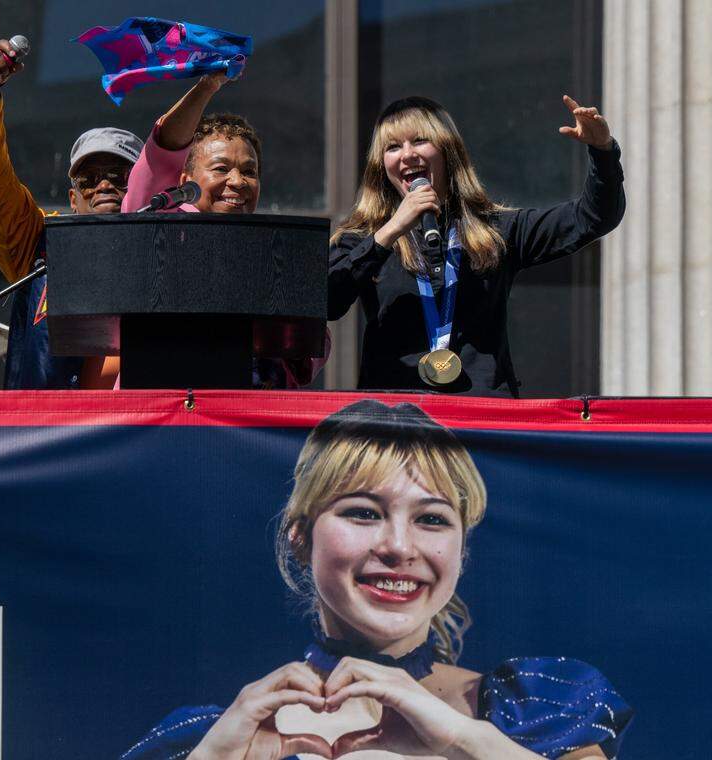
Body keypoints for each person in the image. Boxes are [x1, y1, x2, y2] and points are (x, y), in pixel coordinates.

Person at [121, 400, 632, 760]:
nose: (398, 547)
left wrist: (460, 739)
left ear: (461, 549)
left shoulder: (538, 707)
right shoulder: (214, 736)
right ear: (300, 536)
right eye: (364, 513)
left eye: (431, 519)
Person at [328, 96, 625, 397]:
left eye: (420, 141)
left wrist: (602, 151)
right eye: (393, 147)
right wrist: (389, 232)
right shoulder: (363, 238)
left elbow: (593, 218)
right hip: (395, 425)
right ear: (381, 166)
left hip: (480, 424)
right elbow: (327, 301)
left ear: (447, 151)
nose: (407, 155)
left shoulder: (496, 230)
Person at [115, 74, 328, 389]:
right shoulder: (163, 225)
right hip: (160, 417)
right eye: (220, 168)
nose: (238, 182)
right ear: (185, 177)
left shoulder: (277, 250)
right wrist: (206, 87)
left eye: (249, 171)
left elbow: (309, 348)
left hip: (252, 417)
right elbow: (163, 150)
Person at [0, 38, 147, 389]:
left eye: (118, 177)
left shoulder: (164, 251)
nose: (103, 186)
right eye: (89, 179)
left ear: (140, 188)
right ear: (73, 200)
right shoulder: (41, 245)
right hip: (48, 436)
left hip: (141, 435)